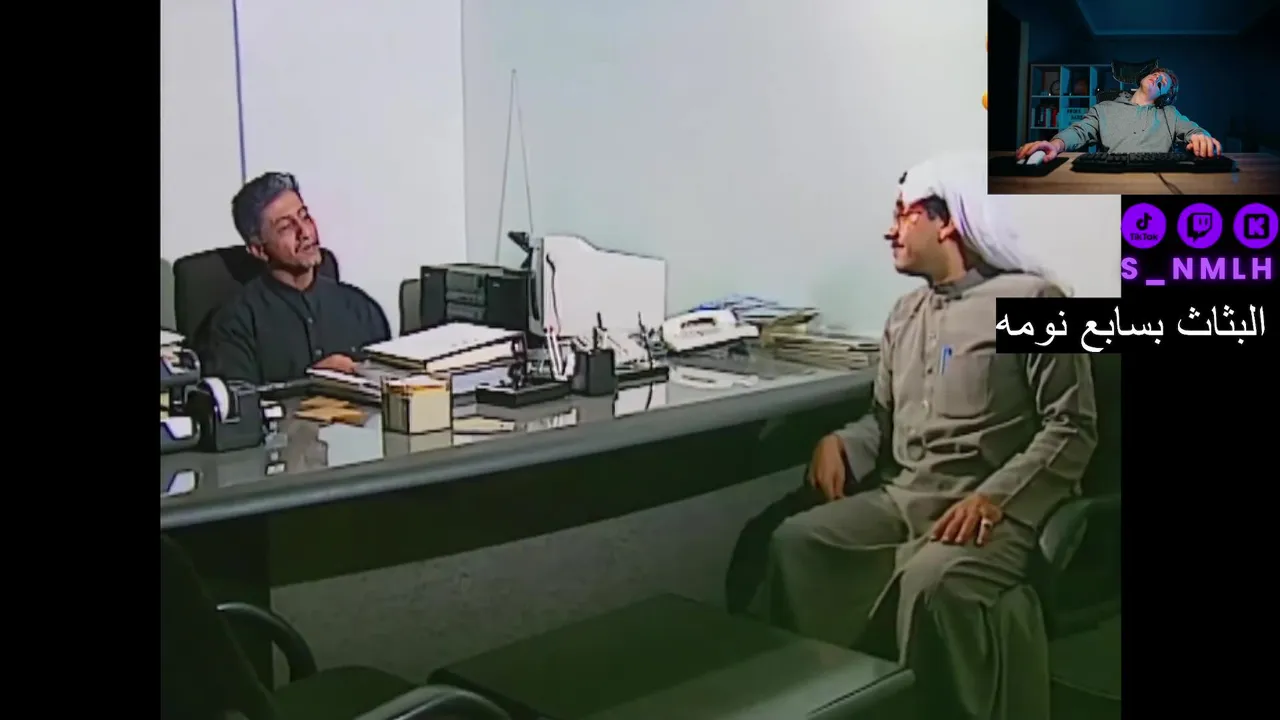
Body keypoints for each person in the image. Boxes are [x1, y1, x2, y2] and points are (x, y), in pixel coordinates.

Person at [745, 153, 1098, 720]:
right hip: (905, 496)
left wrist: (994, 498)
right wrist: (841, 442)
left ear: (948, 221)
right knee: (797, 543)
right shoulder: (904, 314)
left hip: (994, 511)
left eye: (903, 214)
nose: (891, 231)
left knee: (934, 583)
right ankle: (839, 705)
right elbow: (884, 421)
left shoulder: (1034, 301)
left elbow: (1072, 427)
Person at [208, 172, 390, 385]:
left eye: (304, 216)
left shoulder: (361, 309)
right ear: (259, 250)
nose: (304, 232)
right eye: (286, 227)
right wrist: (313, 382)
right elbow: (240, 401)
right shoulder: (236, 324)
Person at [1015, 67, 1223, 160]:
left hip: (1158, 179)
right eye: (1155, 74)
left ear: (1163, 96)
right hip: (1112, 176)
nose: (1157, 78)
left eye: (1162, 83)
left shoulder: (1170, 113)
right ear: (1143, 77)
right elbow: (1079, 131)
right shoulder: (1104, 109)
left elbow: (1194, 131)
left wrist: (1202, 138)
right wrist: (1055, 145)